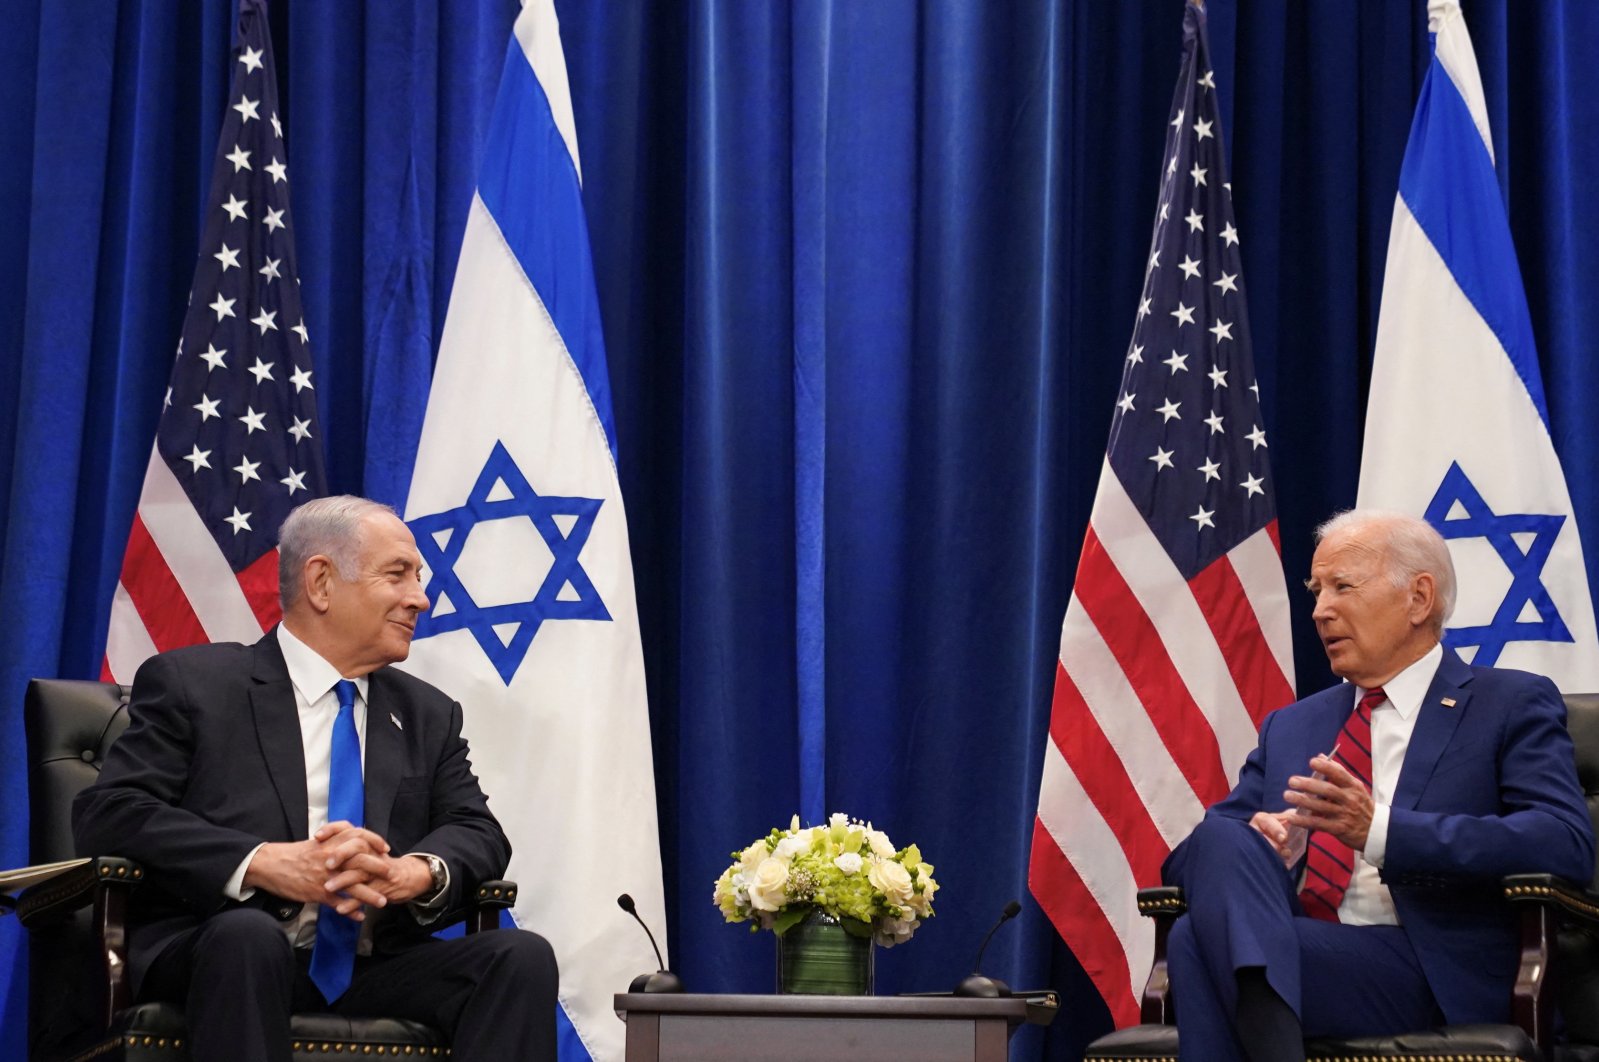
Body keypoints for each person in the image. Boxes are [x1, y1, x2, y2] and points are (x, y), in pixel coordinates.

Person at [73, 496, 557, 1062]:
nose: (421, 598)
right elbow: (112, 811)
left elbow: (477, 830)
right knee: (248, 939)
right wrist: (263, 863)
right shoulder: (195, 686)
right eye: (398, 575)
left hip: (373, 962)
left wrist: (411, 871)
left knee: (518, 956)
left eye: (419, 578)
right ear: (322, 583)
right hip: (224, 950)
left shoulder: (428, 713)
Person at [1162, 509, 1595, 1061]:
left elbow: (1564, 841)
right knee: (1224, 840)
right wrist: (1262, 849)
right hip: (1306, 944)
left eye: (1343, 587)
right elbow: (1189, 863)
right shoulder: (1292, 726)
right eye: (1316, 590)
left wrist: (1380, 830)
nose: (1320, 611)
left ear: (1418, 599)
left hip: (1426, 966)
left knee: (1195, 942)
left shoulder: (1509, 703)